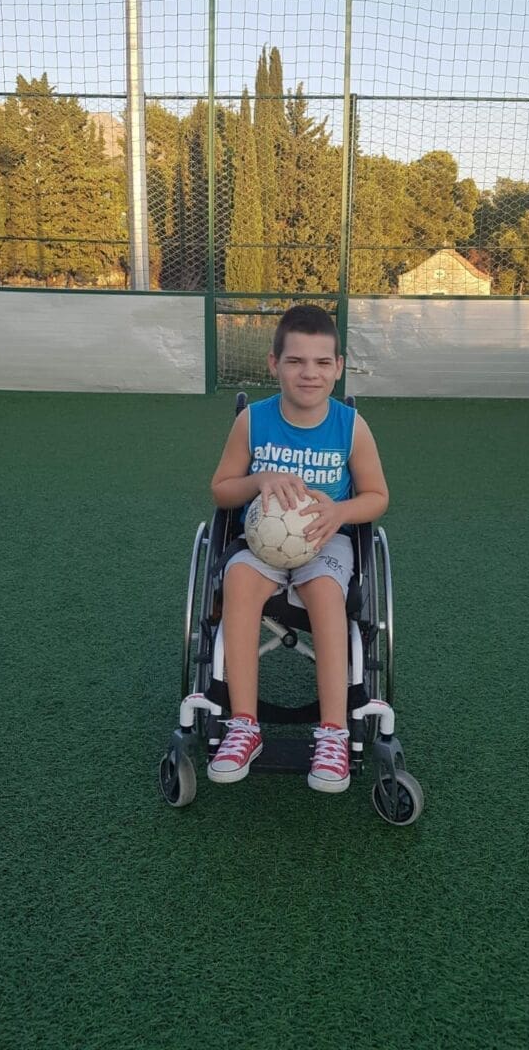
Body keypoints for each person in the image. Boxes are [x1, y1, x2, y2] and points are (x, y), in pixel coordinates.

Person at [207, 304, 389, 793]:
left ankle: (333, 732)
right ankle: (243, 725)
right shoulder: (252, 421)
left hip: (327, 540)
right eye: (295, 361)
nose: (310, 373)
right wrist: (259, 479)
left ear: (339, 367)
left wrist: (339, 512)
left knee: (327, 592)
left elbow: (377, 496)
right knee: (238, 579)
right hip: (261, 543)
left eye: (322, 362)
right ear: (274, 364)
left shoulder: (351, 426)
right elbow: (221, 490)